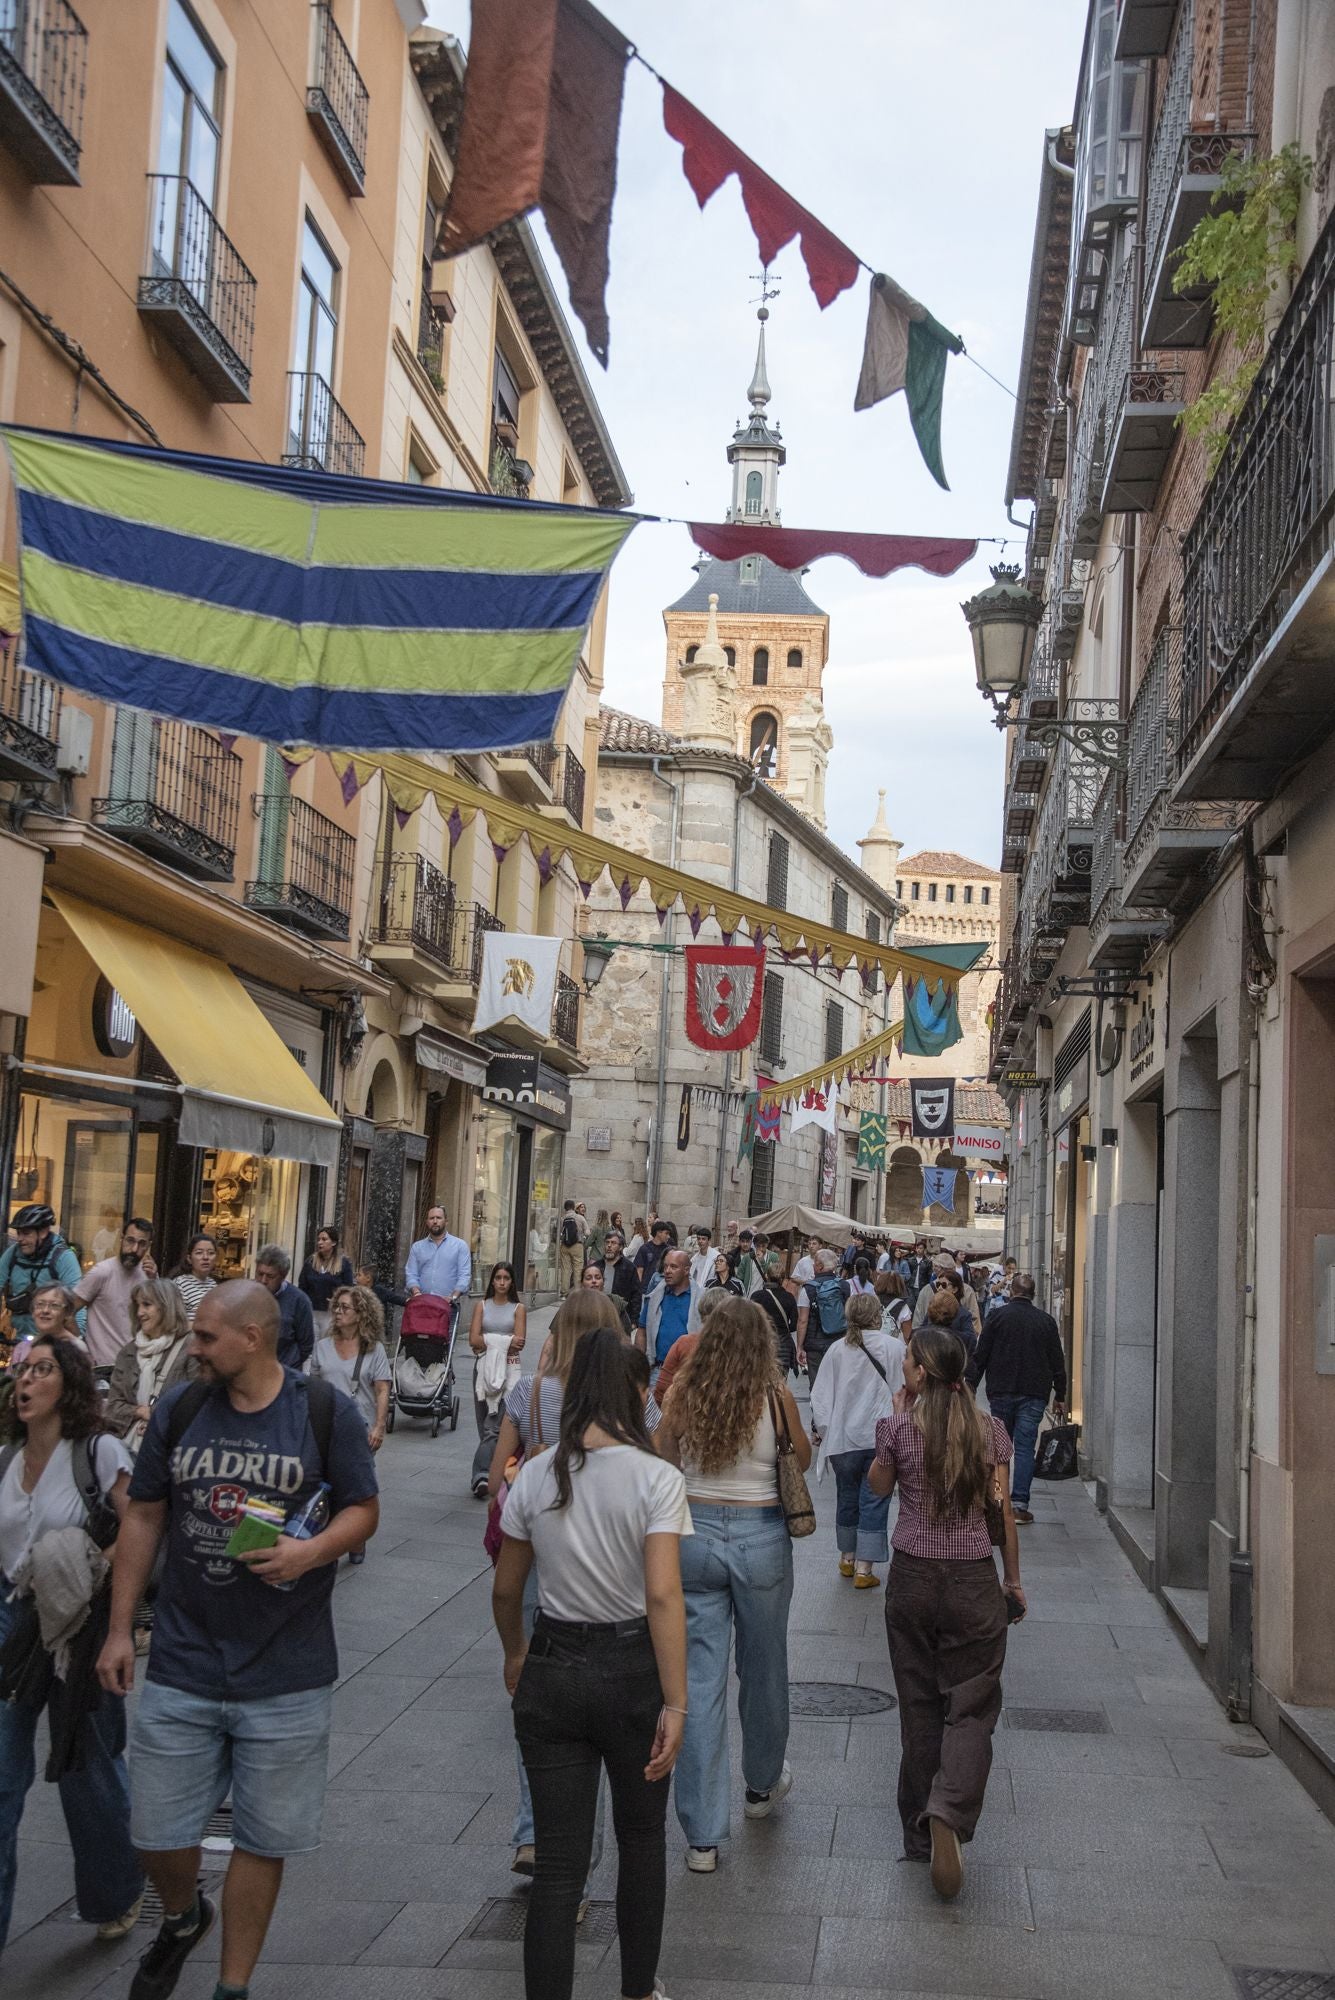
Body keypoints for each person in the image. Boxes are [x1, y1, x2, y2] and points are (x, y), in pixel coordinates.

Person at [97, 1279, 379, 2000]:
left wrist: (309, 1555)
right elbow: (143, 1517)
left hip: (287, 1668)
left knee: (262, 1839)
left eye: (206, 1337)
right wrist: (120, 1628)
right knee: (154, 1830)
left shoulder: (322, 1412)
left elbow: (363, 1509)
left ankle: (233, 1986)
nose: (194, 1348)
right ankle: (185, 1914)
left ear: (252, 1338)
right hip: (186, 1659)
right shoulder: (182, 1407)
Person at [494, 1324, 689, 2000]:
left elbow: (505, 1586)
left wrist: (515, 1654)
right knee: (640, 1841)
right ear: (634, 1394)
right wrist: (676, 1700)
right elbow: (662, 1593)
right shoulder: (655, 1478)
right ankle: (637, 1990)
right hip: (632, 1669)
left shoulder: (538, 1471)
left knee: (557, 1866)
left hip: (552, 1661)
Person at [869, 1322, 1025, 1901]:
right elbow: (1002, 1512)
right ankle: (949, 1811)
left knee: (918, 1704)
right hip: (971, 1583)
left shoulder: (900, 1428)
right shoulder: (990, 1431)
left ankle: (919, 1830)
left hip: (911, 1577)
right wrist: (1013, 1579)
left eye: (908, 1362)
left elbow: (877, 1489)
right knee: (972, 1704)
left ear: (922, 1373)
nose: (903, 1370)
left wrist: (893, 1421)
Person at [656, 1296, 810, 1872]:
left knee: (697, 1679)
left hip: (693, 1535)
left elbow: (662, 1462)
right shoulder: (776, 1398)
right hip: (762, 1535)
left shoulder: (683, 1396)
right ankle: (761, 1786)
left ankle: (700, 1837)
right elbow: (802, 1454)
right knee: (765, 1666)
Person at [0, 1335, 143, 1951]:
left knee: (87, 1768)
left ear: (71, 1384)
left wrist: (112, 1611)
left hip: (81, 1626)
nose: (26, 1381)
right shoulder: (5, 1456)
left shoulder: (98, 1450)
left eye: (42, 1370)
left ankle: (117, 1890)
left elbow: (140, 1526)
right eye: (21, 1370)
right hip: (12, 1622)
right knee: (2, 1777)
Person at [488, 1290, 625, 1880]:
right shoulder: (627, 1401)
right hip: (599, 1556)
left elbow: (495, 1476)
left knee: (537, 1693)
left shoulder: (528, 1393)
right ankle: (570, 1853)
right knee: (594, 1704)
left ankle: (533, 1835)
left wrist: (536, 1459)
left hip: (536, 1540)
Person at [810, 1293, 903, 1588]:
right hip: (880, 1436)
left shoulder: (837, 1349)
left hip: (843, 1438)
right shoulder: (894, 1347)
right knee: (875, 1500)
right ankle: (865, 1568)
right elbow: (904, 1390)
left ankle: (847, 1557)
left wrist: (824, 1431)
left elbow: (820, 1395)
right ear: (877, 1315)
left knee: (847, 1497)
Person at [967, 1272, 1068, 1525]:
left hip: (1001, 1390)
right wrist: (1061, 1393)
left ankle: (998, 1501)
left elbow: (982, 1355)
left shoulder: (997, 1317)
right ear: (1033, 1295)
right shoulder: (1045, 1322)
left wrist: (970, 1385)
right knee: (1024, 1448)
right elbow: (1058, 1360)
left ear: (1011, 1292)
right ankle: (1020, 1505)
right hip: (1034, 1393)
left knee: (1000, 1448)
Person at [308, 1286, 390, 1562]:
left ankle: (356, 1537)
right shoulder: (322, 1347)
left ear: (360, 1314)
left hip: (359, 1427)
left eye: (345, 1308)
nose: (339, 1312)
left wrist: (380, 1426)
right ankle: (331, 1535)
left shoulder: (374, 1350)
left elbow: (381, 1390)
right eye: (337, 1307)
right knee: (324, 1482)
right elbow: (313, 1386)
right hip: (324, 1426)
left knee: (355, 1486)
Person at [105, 1279, 194, 1451]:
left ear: (166, 1306)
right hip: (129, 1449)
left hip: (173, 1449)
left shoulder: (191, 1348)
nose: (140, 1312)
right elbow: (113, 1408)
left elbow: (195, 1404)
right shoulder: (128, 1352)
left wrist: (156, 1420)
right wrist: (141, 1412)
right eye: (137, 1306)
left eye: (147, 1305)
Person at [467, 1262, 526, 1499]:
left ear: (512, 1282)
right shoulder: (481, 1306)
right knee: (485, 1426)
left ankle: (480, 1476)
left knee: (493, 1428)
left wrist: (488, 1340)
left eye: (506, 1278)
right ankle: (495, 1472)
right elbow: (473, 1340)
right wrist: (504, 1341)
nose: (502, 1282)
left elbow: (520, 1342)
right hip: (483, 1370)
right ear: (492, 1281)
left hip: (509, 1372)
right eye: (498, 1278)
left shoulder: (518, 1308)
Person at [74, 1217, 156, 1370]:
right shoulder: (102, 1272)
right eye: (130, 1241)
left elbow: (158, 1322)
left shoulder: (148, 1276)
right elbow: (67, 1312)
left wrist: (154, 1282)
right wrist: (82, 1349)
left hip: (137, 1367)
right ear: (121, 1239)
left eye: (142, 1244)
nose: (134, 1249)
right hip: (104, 1368)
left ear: (148, 1246)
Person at [0, 1205, 83, 1343]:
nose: (20, 1239)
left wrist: (77, 1340)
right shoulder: (13, 1253)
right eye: (18, 1233)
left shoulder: (63, 1257)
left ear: (43, 1232)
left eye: (26, 1233)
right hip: (20, 1338)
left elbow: (77, 1303)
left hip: (53, 1341)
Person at [795, 1248, 850, 1392]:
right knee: (838, 1385)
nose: (813, 1266)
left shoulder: (808, 1289)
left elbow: (803, 1320)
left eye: (814, 1263)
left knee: (817, 1386)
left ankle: (818, 1414)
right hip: (840, 1342)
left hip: (815, 1345)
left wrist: (800, 1347)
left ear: (819, 1266)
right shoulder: (844, 1285)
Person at [254, 1244, 316, 1372]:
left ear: (283, 1276)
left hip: (284, 1373)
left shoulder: (299, 1301)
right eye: (260, 1274)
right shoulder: (246, 1294)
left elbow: (306, 1344)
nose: (263, 1280)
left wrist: (288, 1366)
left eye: (270, 1276)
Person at [639, 1247, 699, 1375]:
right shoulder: (654, 1297)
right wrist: (640, 1364)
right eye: (665, 1266)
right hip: (658, 1369)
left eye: (673, 1267)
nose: (667, 1271)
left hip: (689, 1372)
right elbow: (642, 1331)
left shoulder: (701, 1299)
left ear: (686, 1270)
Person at [404, 1203, 472, 1317]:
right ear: (427, 1222)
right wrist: (416, 1293)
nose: (435, 1221)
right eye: (431, 1218)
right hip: (421, 1305)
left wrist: (453, 1297)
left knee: (446, 1335)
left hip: (448, 1306)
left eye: (439, 1218)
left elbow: (464, 1276)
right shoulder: (417, 1247)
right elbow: (411, 1274)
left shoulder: (460, 1246)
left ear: (446, 1221)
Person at [297, 1225, 354, 1338]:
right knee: (312, 1345)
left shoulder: (343, 1263)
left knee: (326, 1345)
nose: (320, 1243)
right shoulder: (311, 1262)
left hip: (331, 1313)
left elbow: (349, 1289)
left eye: (324, 1239)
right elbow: (302, 1286)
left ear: (333, 1243)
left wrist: (338, 1300)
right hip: (312, 1312)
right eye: (318, 1239)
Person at [912, 1251, 981, 1336]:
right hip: (957, 1344)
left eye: (935, 1267)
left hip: (930, 1342)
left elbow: (917, 1321)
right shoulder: (967, 1290)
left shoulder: (926, 1290)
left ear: (938, 1268)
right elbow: (975, 1320)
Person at [752, 1261, 799, 1377]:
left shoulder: (756, 1296)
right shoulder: (789, 1298)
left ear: (767, 1276)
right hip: (782, 1345)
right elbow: (794, 1324)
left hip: (762, 1342)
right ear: (783, 1279)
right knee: (780, 1383)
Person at [926, 1275, 978, 1360]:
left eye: (944, 1285)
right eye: (938, 1284)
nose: (939, 1288)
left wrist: (947, 1332)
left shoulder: (964, 1314)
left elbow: (971, 1341)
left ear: (955, 1289)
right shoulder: (933, 1308)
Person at [599, 1228, 643, 1328]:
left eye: (613, 1243)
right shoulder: (597, 1266)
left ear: (620, 1247)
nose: (609, 1246)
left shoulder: (629, 1268)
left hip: (620, 1318)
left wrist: (634, 1319)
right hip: (598, 1315)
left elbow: (636, 1294)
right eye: (607, 1243)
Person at [171, 1234, 217, 1329]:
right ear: (189, 1258)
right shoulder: (180, 1284)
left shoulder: (214, 1284)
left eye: (211, 1253)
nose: (205, 1257)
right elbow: (171, 1321)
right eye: (199, 1253)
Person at [632, 1218, 672, 1292]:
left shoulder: (668, 1250)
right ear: (658, 1232)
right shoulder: (644, 1249)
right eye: (666, 1233)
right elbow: (639, 1271)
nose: (668, 1236)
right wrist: (638, 1290)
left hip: (663, 1288)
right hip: (646, 1289)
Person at [557, 1199, 585, 1292]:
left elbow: (558, 1232)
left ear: (565, 1208)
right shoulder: (580, 1218)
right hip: (577, 1245)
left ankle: (564, 1292)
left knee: (565, 1269)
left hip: (565, 1246)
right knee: (578, 1269)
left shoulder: (562, 1219)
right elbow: (588, 1232)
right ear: (574, 1207)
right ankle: (577, 1292)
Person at [688, 1225, 715, 1293]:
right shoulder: (695, 1258)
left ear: (709, 1240)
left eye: (703, 1239)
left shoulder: (715, 1256)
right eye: (699, 1238)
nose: (700, 1241)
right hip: (695, 1289)